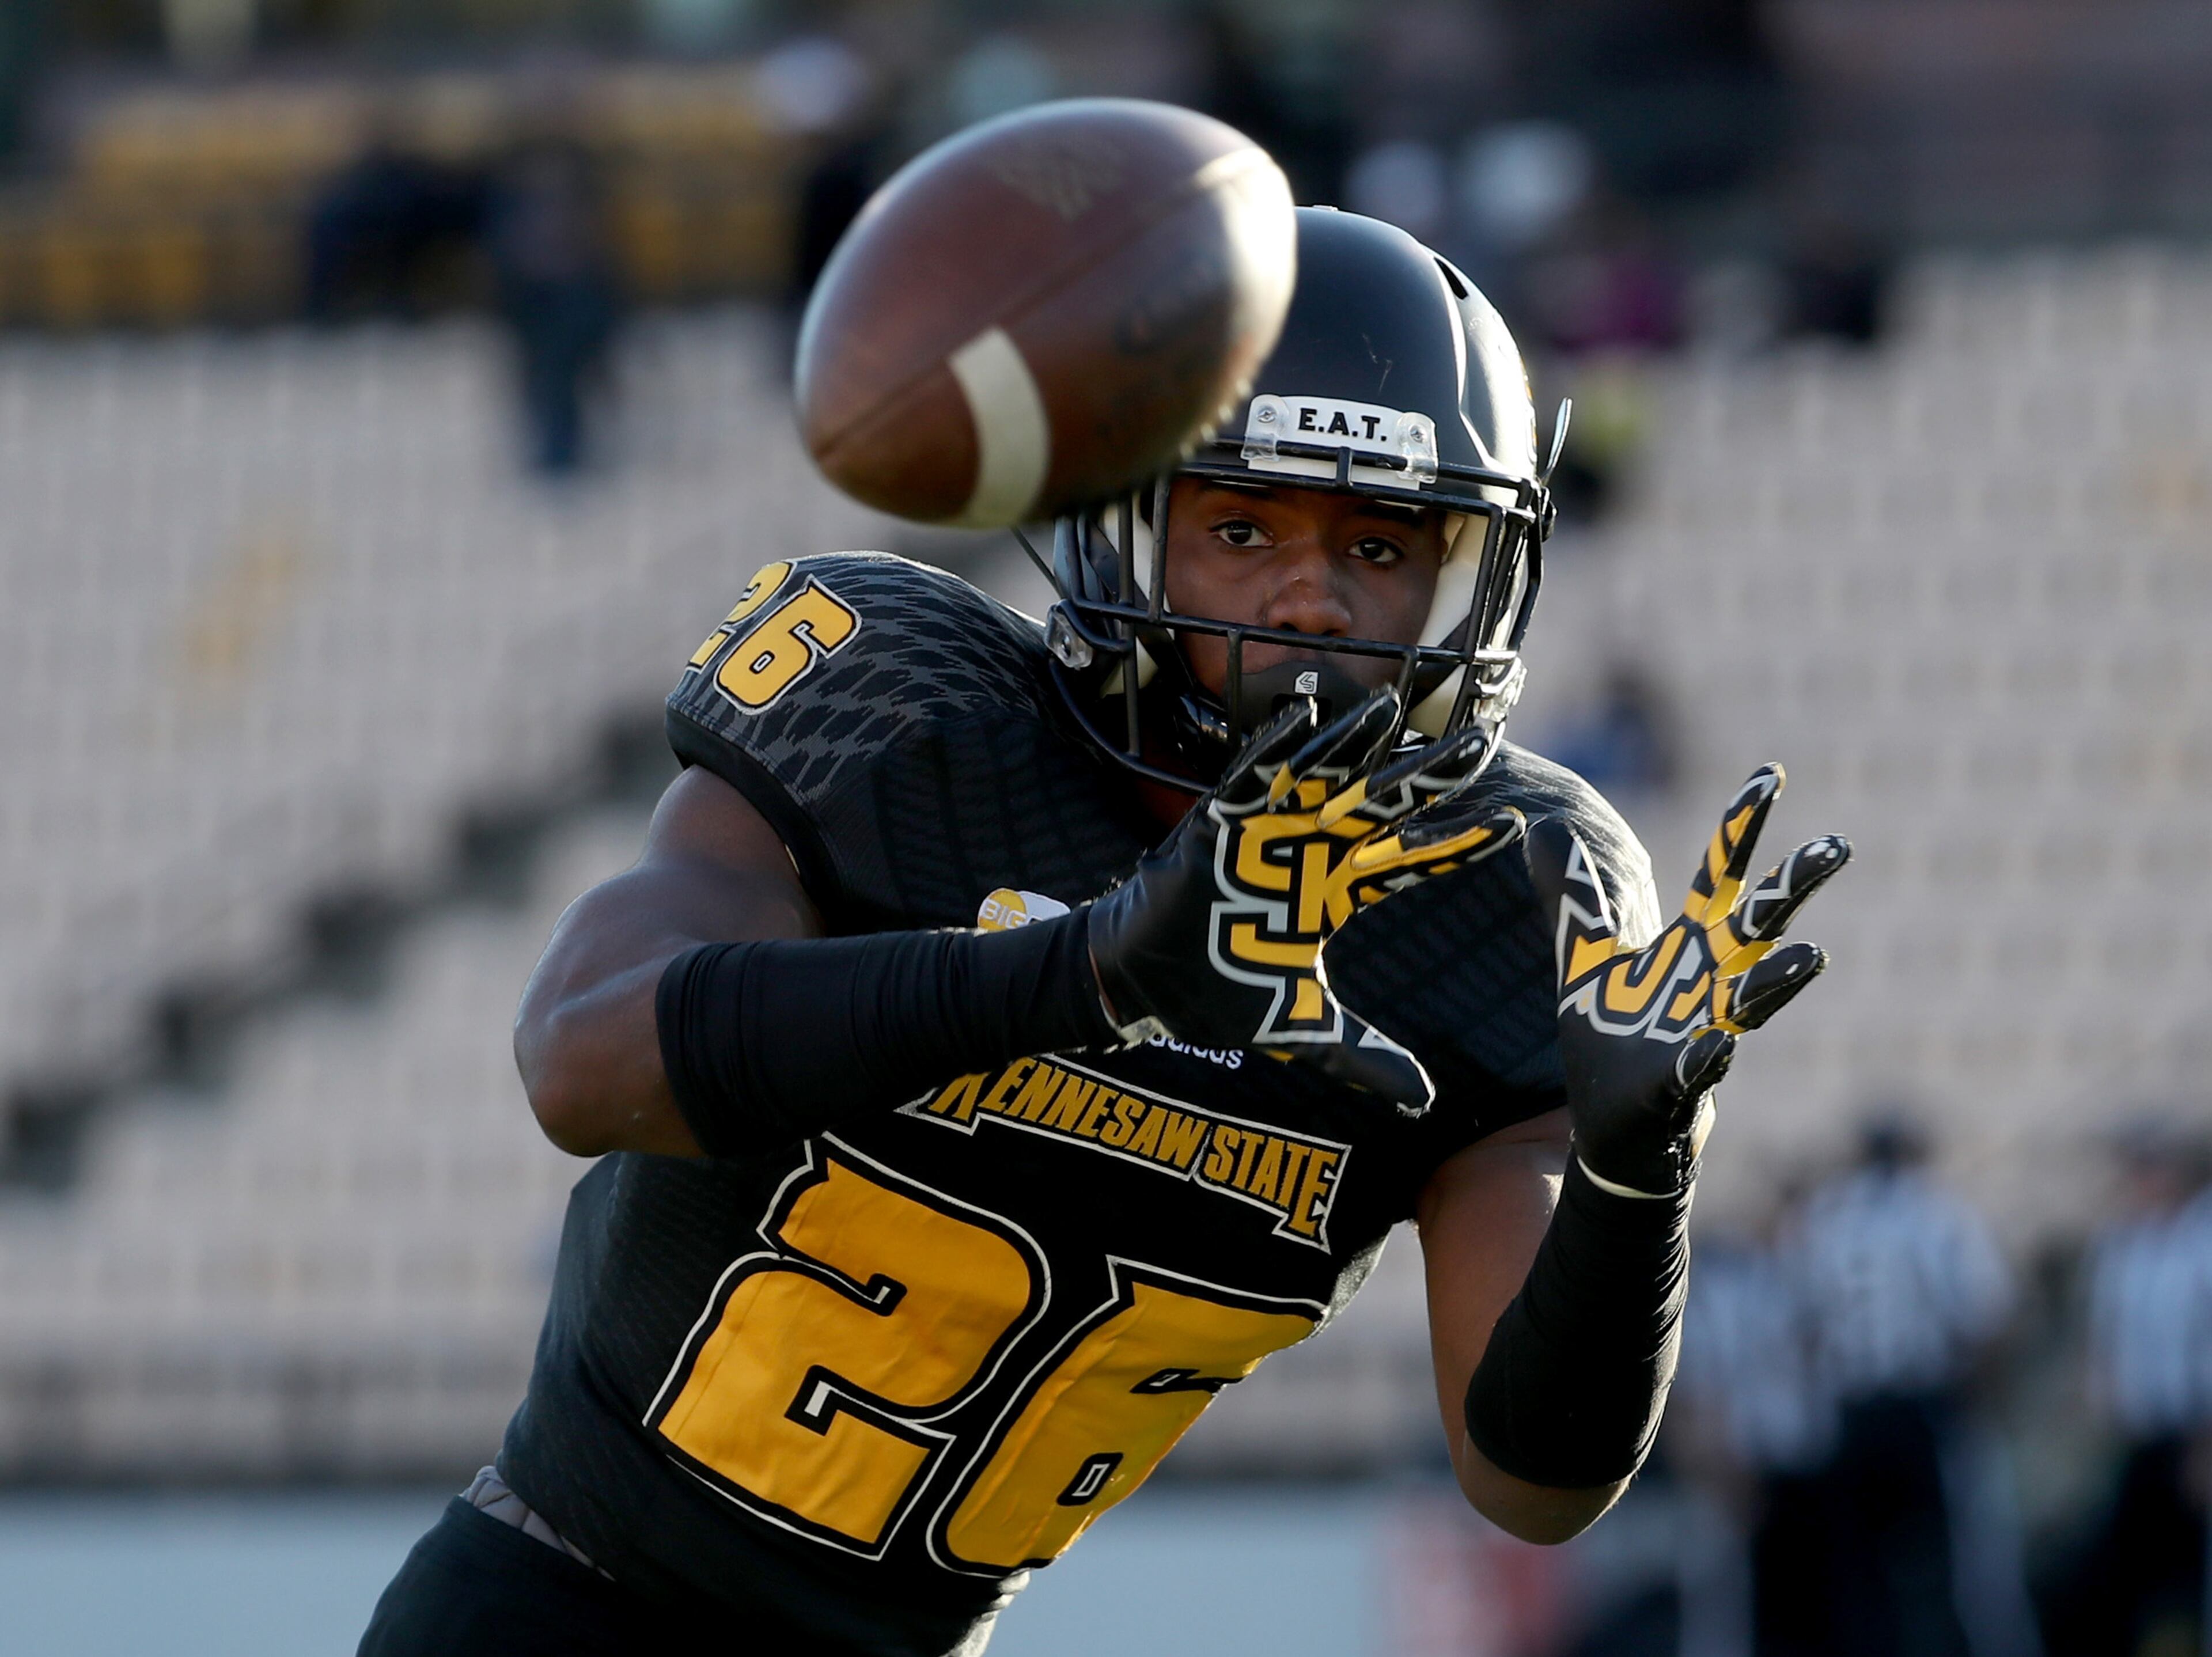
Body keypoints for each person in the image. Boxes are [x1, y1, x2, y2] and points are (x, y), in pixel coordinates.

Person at [357, 206, 1847, 1656]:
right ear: (1128, 521)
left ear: (1478, 576)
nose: (1314, 598)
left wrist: (1632, 1181)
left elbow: (1533, 1480)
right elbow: (580, 1056)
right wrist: (1092, 968)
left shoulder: (1496, 889)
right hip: (566, 1605)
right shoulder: (917, 702)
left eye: (1384, 546)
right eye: (1245, 524)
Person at [1790, 1112, 2020, 1657]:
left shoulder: (1827, 1214)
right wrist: (1971, 1400)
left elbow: (1807, 1328)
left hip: (1855, 1408)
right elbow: (1985, 1317)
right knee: (1944, 1563)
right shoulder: (1937, 1212)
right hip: (1921, 1406)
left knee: (1861, 1571)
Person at [2043, 1123, 2212, 1657]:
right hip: (2140, 1433)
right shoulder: (2122, 1246)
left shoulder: (2201, 1240)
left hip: (2194, 1433)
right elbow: (2105, 1337)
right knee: (2128, 1572)